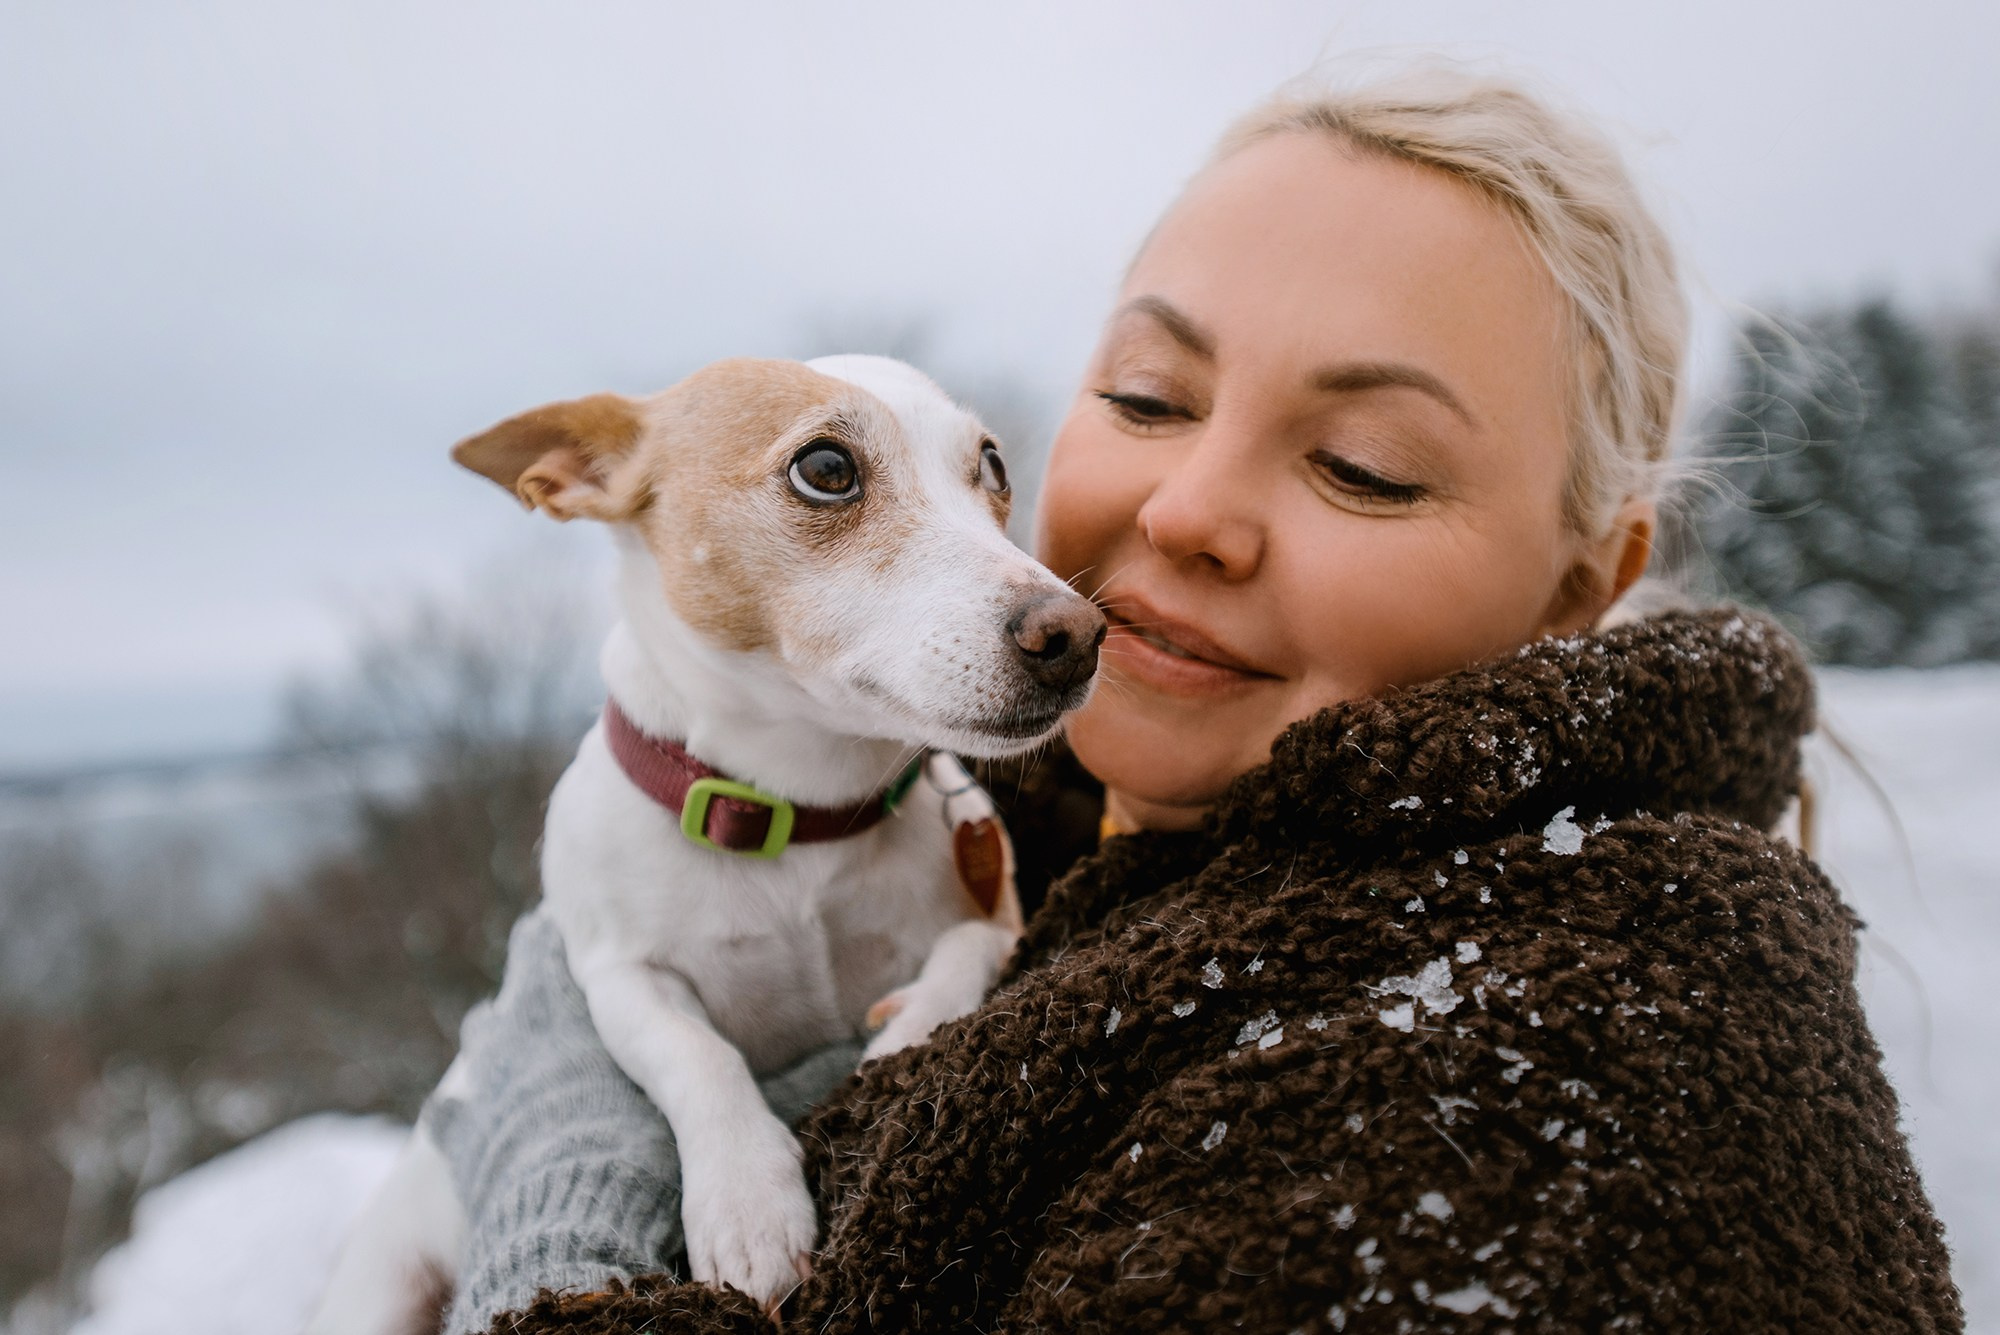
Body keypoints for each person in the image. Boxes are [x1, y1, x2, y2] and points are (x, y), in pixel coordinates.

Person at [424, 66, 1961, 1333]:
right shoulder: (999, 800)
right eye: (1147, 397)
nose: (1184, 512)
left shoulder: (1580, 1099)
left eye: (1363, 465)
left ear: (1580, 587)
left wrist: (559, 1178)